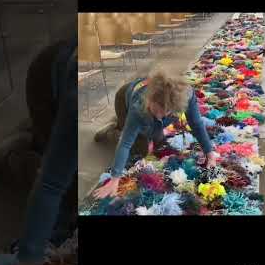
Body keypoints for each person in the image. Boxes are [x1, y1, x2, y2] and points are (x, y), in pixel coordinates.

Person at [0, 37, 78, 265]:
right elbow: (51, 183)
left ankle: (36, 134)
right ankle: (14, 155)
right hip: (46, 80)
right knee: (69, 194)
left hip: (69, 82)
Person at [93, 69, 218, 199]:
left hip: (146, 111)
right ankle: (112, 130)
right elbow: (125, 143)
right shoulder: (138, 107)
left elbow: (196, 124)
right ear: (150, 100)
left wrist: (210, 153)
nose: (160, 116)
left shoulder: (186, 96)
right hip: (124, 99)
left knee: (158, 139)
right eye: (157, 110)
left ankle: (126, 124)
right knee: (139, 149)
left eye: (166, 112)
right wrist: (114, 179)